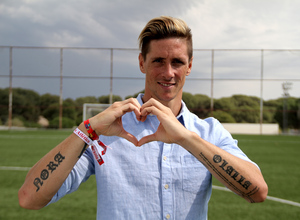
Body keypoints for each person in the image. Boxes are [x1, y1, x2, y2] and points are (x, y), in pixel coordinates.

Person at [18, 16, 268, 219]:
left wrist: (186, 138)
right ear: (142, 63)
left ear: (190, 66)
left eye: (177, 62)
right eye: (158, 60)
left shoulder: (208, 132)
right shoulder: (108, 130)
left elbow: (257, 192)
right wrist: (87, 128)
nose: (168, 72)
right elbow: (30, 198)